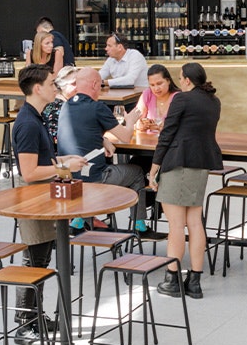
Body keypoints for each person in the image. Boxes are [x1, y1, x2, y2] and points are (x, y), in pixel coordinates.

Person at [10, 64, 87, 345]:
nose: (56, 86)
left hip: (42, 197)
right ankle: (25, 323)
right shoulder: (29, 123)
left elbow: (40, 164)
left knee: (40, 258)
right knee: (35, 260)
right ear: (38, 88)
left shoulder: (35, 116)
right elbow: (29, 172)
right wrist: (64, 166)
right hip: (34, 199)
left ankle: (35, 317)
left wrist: (64, 164)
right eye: (52, 83)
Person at [147, 62, 223, 300]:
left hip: (178, 164)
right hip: (201, 165)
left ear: (187, 80)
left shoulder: (182, 99)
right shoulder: (214, 101)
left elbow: (167, 134)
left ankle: (173, 279)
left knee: (176, 225)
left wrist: (154, 167)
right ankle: (195, 281)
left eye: (180, 77)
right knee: (195, 222)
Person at [57, 67, 150, 235]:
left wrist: (103, 139)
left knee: (95, 173)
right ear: (94, 84)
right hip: (93, 179)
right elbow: (125, 137)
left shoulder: (66, 106)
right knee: (137, 172)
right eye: (100, 86)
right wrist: (130, 120)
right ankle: (140, 225)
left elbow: (82, 130)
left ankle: (80, 219)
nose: (100, 91)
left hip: (68, 179)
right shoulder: (97, 107)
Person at [43, 65, 80, 146]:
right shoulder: (59, 107)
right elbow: (54, 138)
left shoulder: (57, 101)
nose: (79, 87)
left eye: (80, 83)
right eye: (74, 83)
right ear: (62, 86)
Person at [134, 64, 175, 133]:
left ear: (168, 81)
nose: (156, 88)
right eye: (152, 85)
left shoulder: (178, 97)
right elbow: (135, 120)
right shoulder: (147, 94)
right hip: (148, 141)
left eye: (159, 84)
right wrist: (140, 125)